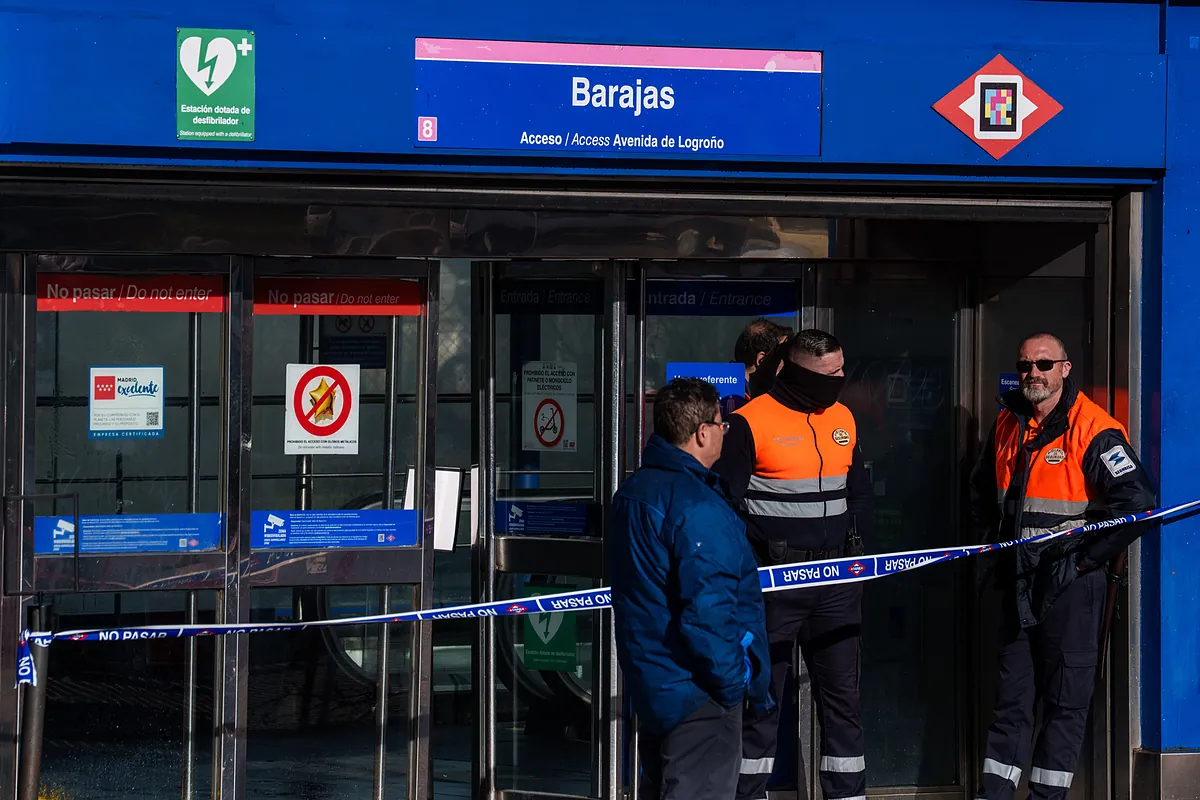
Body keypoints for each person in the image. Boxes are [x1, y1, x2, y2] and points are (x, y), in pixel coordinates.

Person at [969, 333, 1157, 800]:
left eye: (1044, 364)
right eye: (1026, 365)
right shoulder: (1008, 422)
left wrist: (1081, 563)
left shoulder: (1095, 429)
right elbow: (979, 496)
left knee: (1064, 702)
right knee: (1010, 700)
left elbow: (1139, 505)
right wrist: (989, 552)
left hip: (1070, 586)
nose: (1034, 373)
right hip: (1016, 581)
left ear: (1065, 369)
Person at [714, 329, 874, 800]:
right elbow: (725, 507)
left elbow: (858, 491)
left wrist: (862, 558)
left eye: (843, 369)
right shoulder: (749, 422)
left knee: (843, 700)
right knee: (761, 700)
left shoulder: (843, 416)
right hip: (775, 584)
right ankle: (747, 794)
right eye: (830, 374)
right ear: (797, 370)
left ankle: (847, 794)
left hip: (839, 582)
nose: (841, 380)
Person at [609, 377, 775, 800]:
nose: (724, 431)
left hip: (657, 681)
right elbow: (709, 613)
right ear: (702, 432)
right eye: (721, 424)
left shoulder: (635, 492)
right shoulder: (698, 507)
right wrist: (734, 682)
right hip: (697, 691)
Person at [721, 318, 794, 418]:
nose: (784, 365)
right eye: (780, 356)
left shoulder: (721, 385)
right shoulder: (739, 403)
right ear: (761, 360)